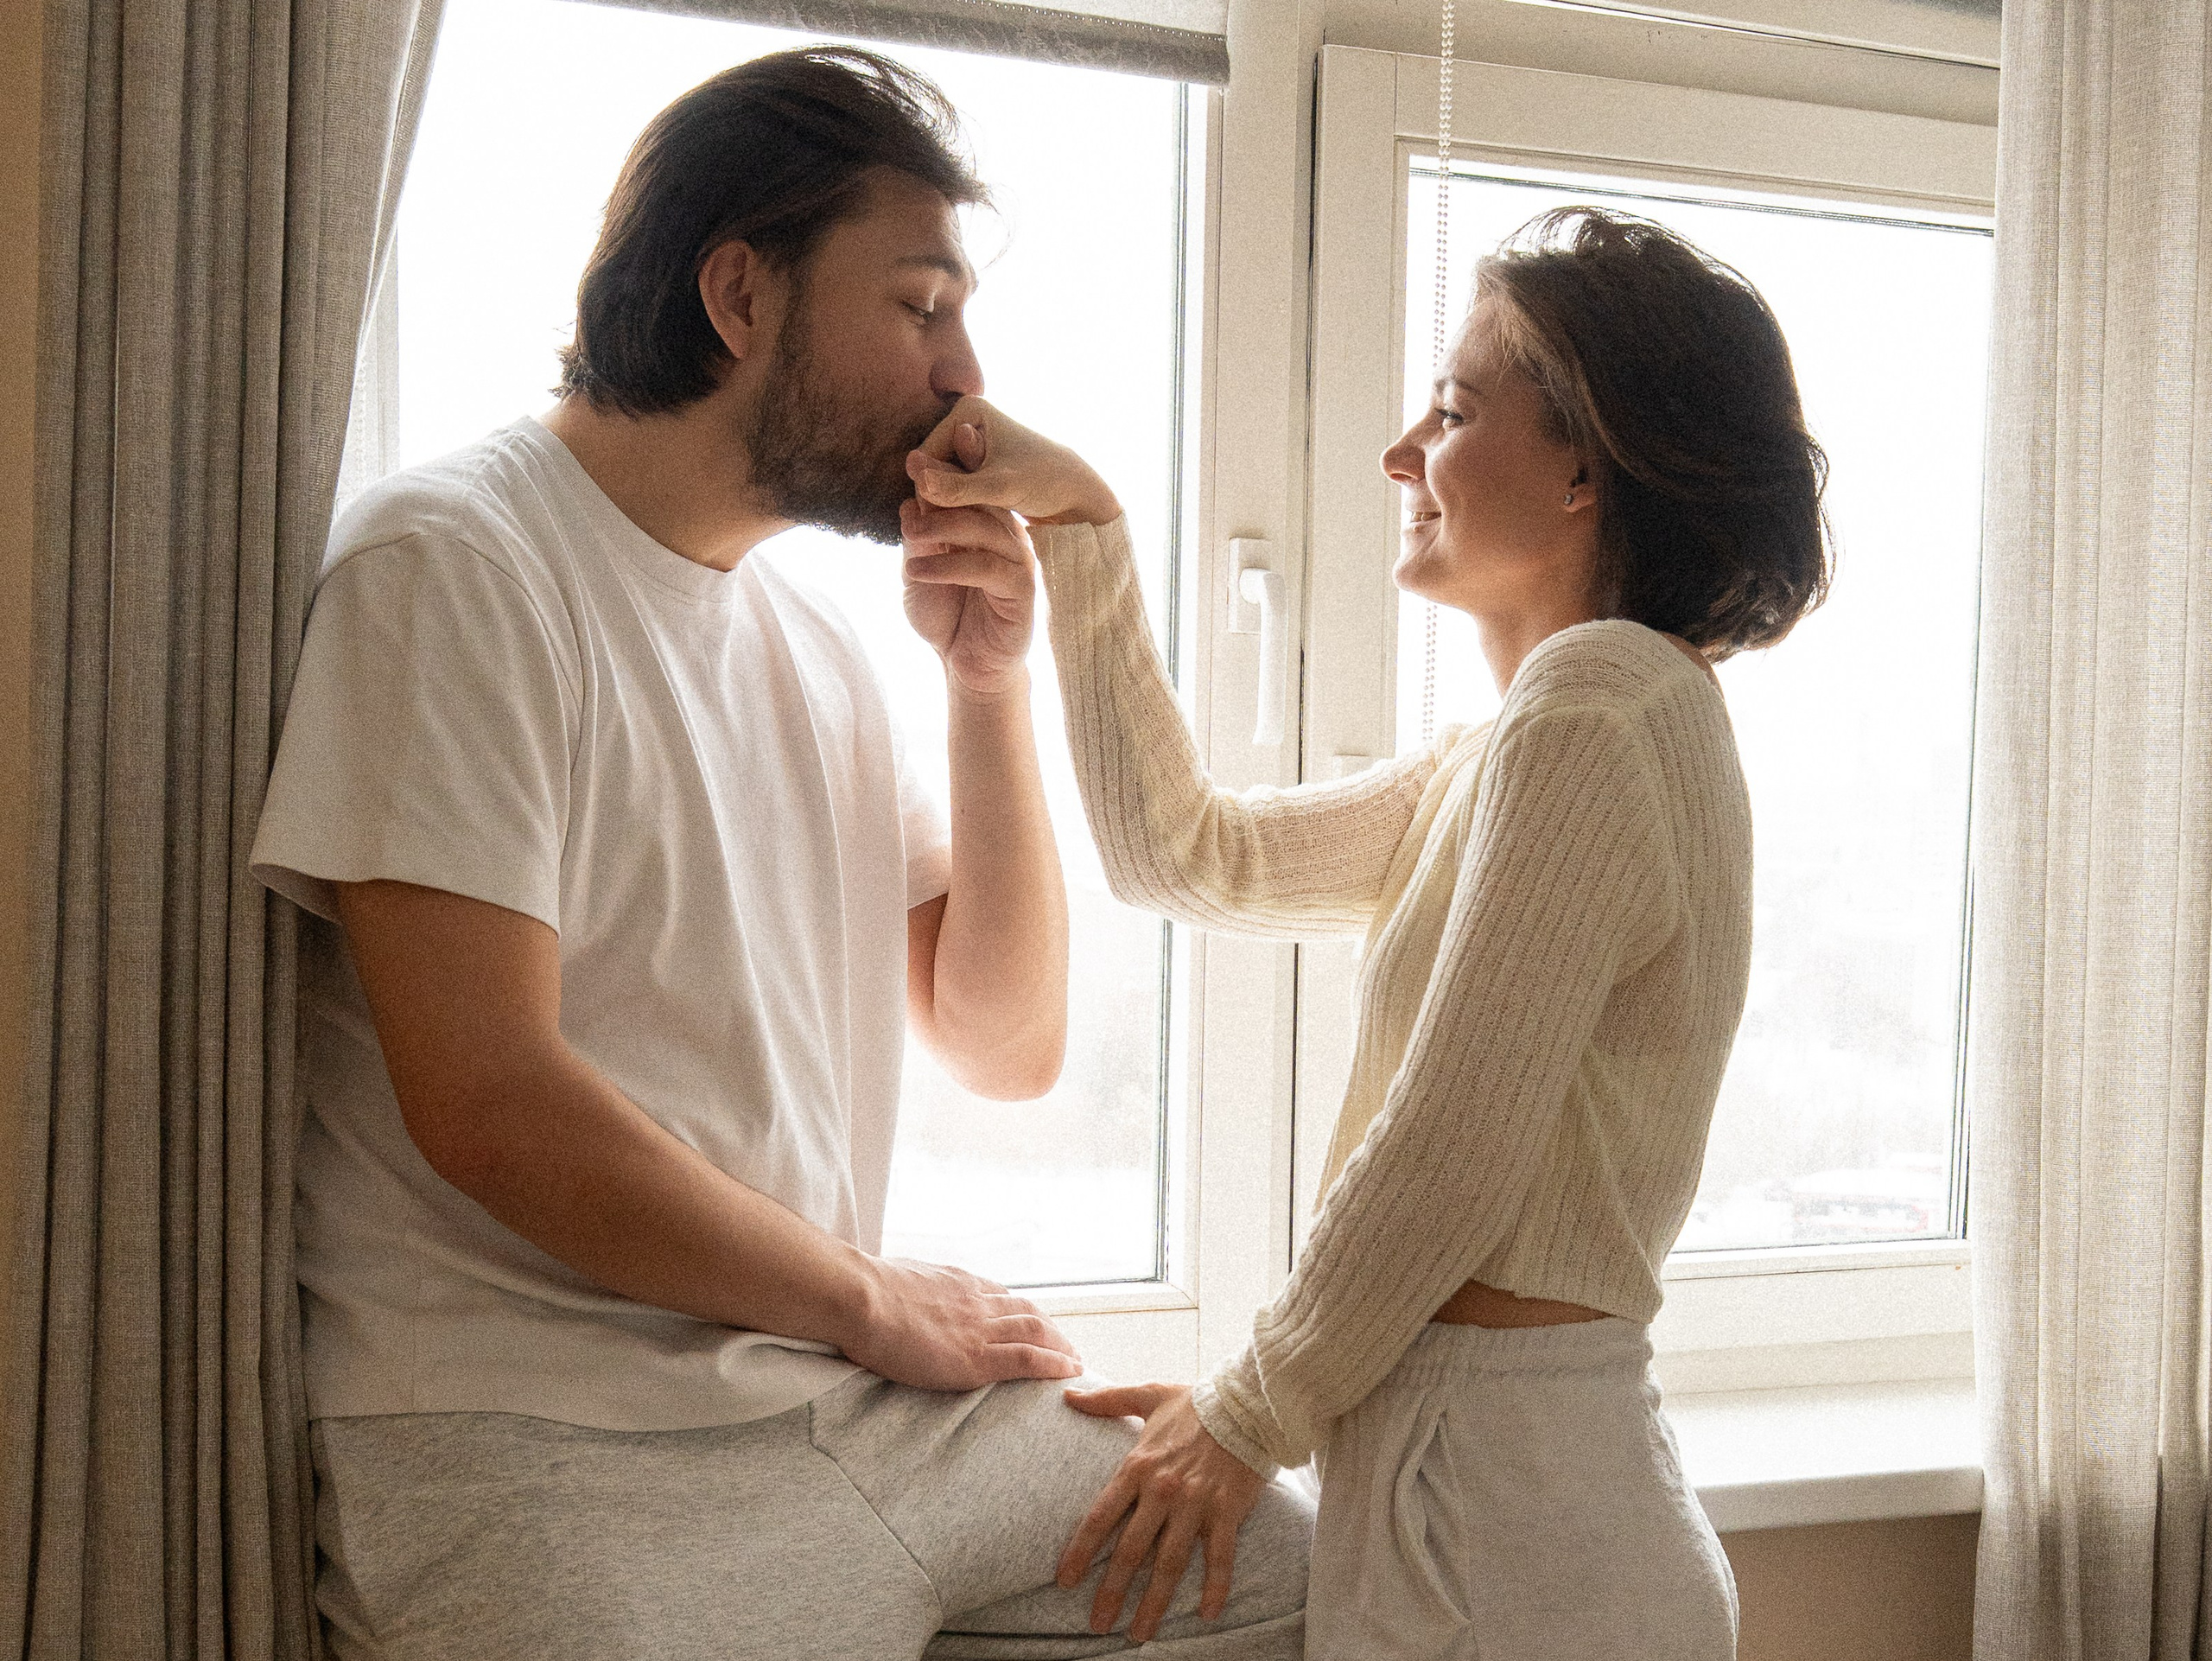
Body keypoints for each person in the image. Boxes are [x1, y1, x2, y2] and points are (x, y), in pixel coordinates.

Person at [249, 46, 1310, 1660]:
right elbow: (488, 1102)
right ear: (739, 294)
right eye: (920, 307)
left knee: (1298, 1576)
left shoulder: (811, 645)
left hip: (852, 1407)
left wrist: (984, 686)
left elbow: (1004, 1040)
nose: (967, 376)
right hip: (548, 1436)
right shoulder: (455, 568)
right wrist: (875, 1300)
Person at [902, 206, 1831, 1658]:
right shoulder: (1521, 741)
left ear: (1589, 464)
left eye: (1455, 410)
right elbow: (1185, 854)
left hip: (1530, 1528)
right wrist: (1083, 530)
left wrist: (1245, 1405)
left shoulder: (1600, 708)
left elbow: (1452, 1138)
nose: (1403, 452)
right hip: (1477, 1496)